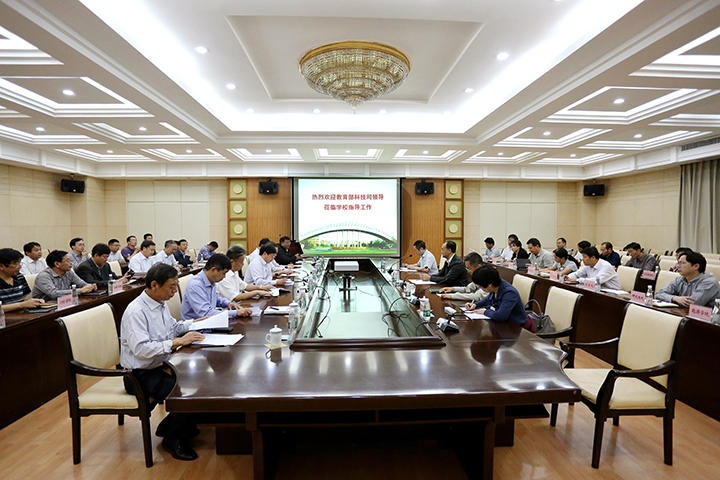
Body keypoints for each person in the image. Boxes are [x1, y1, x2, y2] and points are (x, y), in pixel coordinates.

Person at [119, 263, 205, 461]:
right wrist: (176, 342)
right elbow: (142, 350)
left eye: (176, 286)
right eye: (172, 286)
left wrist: (196, 323)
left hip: (161, 366)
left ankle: (169, 426)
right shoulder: (136, 311)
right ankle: (173, 439)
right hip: (139, 375)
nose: (175, 291)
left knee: (201, 384)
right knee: (187, 395)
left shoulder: (159, 303)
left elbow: (173, 328)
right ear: (154, 285)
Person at [181, 254, 250, 320]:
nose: (224, 277)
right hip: (197, 325)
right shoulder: (195, 285)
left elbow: (216, 299)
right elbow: (206, 314)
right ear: (213, 269)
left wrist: (228, 303)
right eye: (224, 273)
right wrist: (235, 313)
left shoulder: (211, 281)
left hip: (209, 321)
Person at [656, 252, 720, 308]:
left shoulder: (709, 282)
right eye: (678, 263)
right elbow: (659, 294)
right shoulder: (680, 279)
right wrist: (675, 298)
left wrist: (670, 298)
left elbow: (692, 303)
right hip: (683, 313)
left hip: (706, 317)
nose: (678, 266)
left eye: (682, 263)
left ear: (696, 266)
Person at [32, 250, 97, 300]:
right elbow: (54, 294)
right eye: (68, 261)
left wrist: (90, 286)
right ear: (57, 264)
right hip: (43, 307)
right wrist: (79, 291)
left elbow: (81, 284)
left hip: (63, 303)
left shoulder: (69, 272)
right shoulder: (44, 276)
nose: (71, 263)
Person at [0, 248, 43, 312]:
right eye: (15, 264)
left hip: (22, 314)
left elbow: (26, 298)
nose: (19, 266)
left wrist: (33, 302)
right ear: (1, 266)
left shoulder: (19, 277)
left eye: (19, 263)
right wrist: (22, 305)